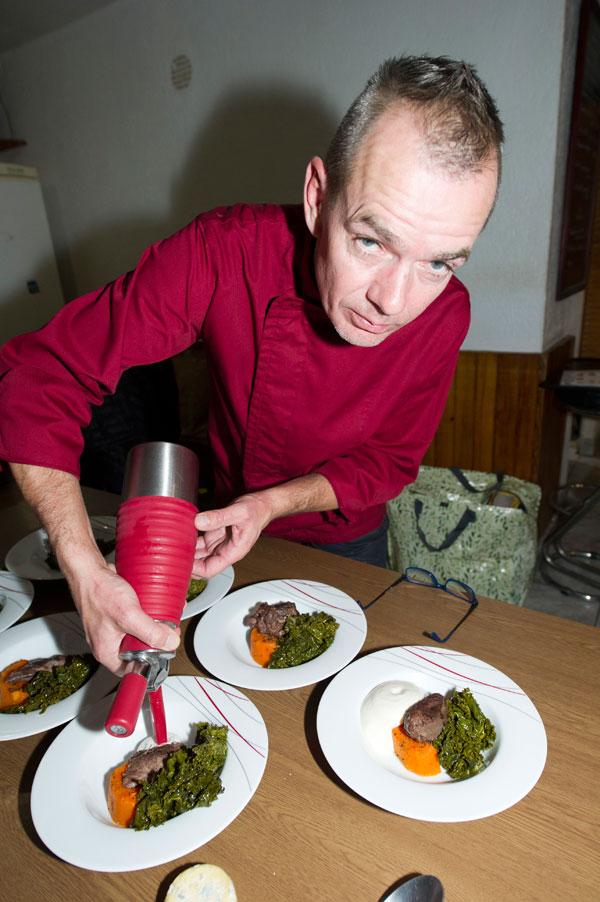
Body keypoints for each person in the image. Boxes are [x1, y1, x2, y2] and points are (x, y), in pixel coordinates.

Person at [0, 55, 503, 673]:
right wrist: (82, 567)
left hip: (348, 536)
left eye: (439, 262)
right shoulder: (224, 251)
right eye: (371, 241)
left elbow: (388, 461)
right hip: (220, 533)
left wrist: (269, 503)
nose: (393, 302)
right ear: (317, 198)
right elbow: (40, 378)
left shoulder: (447, 312)